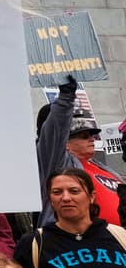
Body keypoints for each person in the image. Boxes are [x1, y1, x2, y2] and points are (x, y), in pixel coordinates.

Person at [35, 75, 126, 226]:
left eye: (92, 135)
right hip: (77, 240)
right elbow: (54, 134)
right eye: (83, 136)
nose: (92, 139)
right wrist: (66, 98)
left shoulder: (101, 167)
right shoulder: (60, 164)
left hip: (114, 240)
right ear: (65, 143)